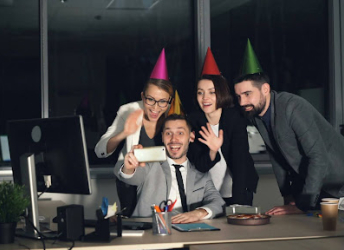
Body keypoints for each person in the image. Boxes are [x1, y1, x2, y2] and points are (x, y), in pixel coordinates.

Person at [233, 39, 344, 215]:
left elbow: (318, 157)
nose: (242, 102)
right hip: (314, 185)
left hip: (338, 185)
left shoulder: (292, 107)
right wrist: (289, 195)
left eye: (247, 94)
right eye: (238, 96)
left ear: (265, 89)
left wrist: (302, 204)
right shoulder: (257, 116)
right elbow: (277, 158)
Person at [95, 49, 173, 217]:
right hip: (129, 180)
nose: (155, 107)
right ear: (143, 96)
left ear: (169, 102)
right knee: (133, 227)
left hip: (161, 180)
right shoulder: (129, 111)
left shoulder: (175, 118)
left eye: (162, 102)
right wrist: (124, 133)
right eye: (150, 99)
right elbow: (100, 150)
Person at [115, 114, 225, 222]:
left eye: (180, 133)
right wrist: (129, 167)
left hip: (190, 234)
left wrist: (198, 213)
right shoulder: (150, 166)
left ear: (191, 137)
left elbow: (218, 202)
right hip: (152, 233)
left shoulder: (201, 174)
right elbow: (131, 177)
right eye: (168, 133)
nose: (174, 139)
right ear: (162, 137)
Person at [188, 48, 258, 206]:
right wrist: (213, 150)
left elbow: (240, 163)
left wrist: (239, 205)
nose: (205, 98)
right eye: (200, 93)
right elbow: (200, 166)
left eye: (211, 92)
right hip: (207, 194)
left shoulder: (234, 119)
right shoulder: (194, 122)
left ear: (221, 93)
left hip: (239, 189)